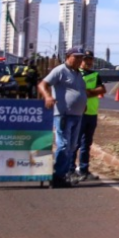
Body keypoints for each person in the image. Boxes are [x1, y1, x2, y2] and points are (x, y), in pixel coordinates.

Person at [38, 47, 89, 187]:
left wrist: (83, 103)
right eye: (76, 57)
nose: (79, 60)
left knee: (72, 146)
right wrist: (48, 97)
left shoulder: (78, 74)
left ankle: (64, 174)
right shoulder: (60, 70)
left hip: (77, 115)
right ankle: (57, 175)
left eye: (81, 58)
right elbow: (43, 84)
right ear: (68, 56)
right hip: (64, 115)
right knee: (64, 144)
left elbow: (79, 91)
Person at [77, 51, 106, 180]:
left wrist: (88, 92)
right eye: (85, 59)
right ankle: (70, 169)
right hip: (79, 112)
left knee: (86, 144)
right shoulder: (76, 73)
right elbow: (78, 92)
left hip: (92, 113)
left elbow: (102, 90)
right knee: (75, 143)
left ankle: (84, 170)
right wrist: (91, 92)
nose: (88, 62)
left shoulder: (95, 74)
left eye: (90, 59)